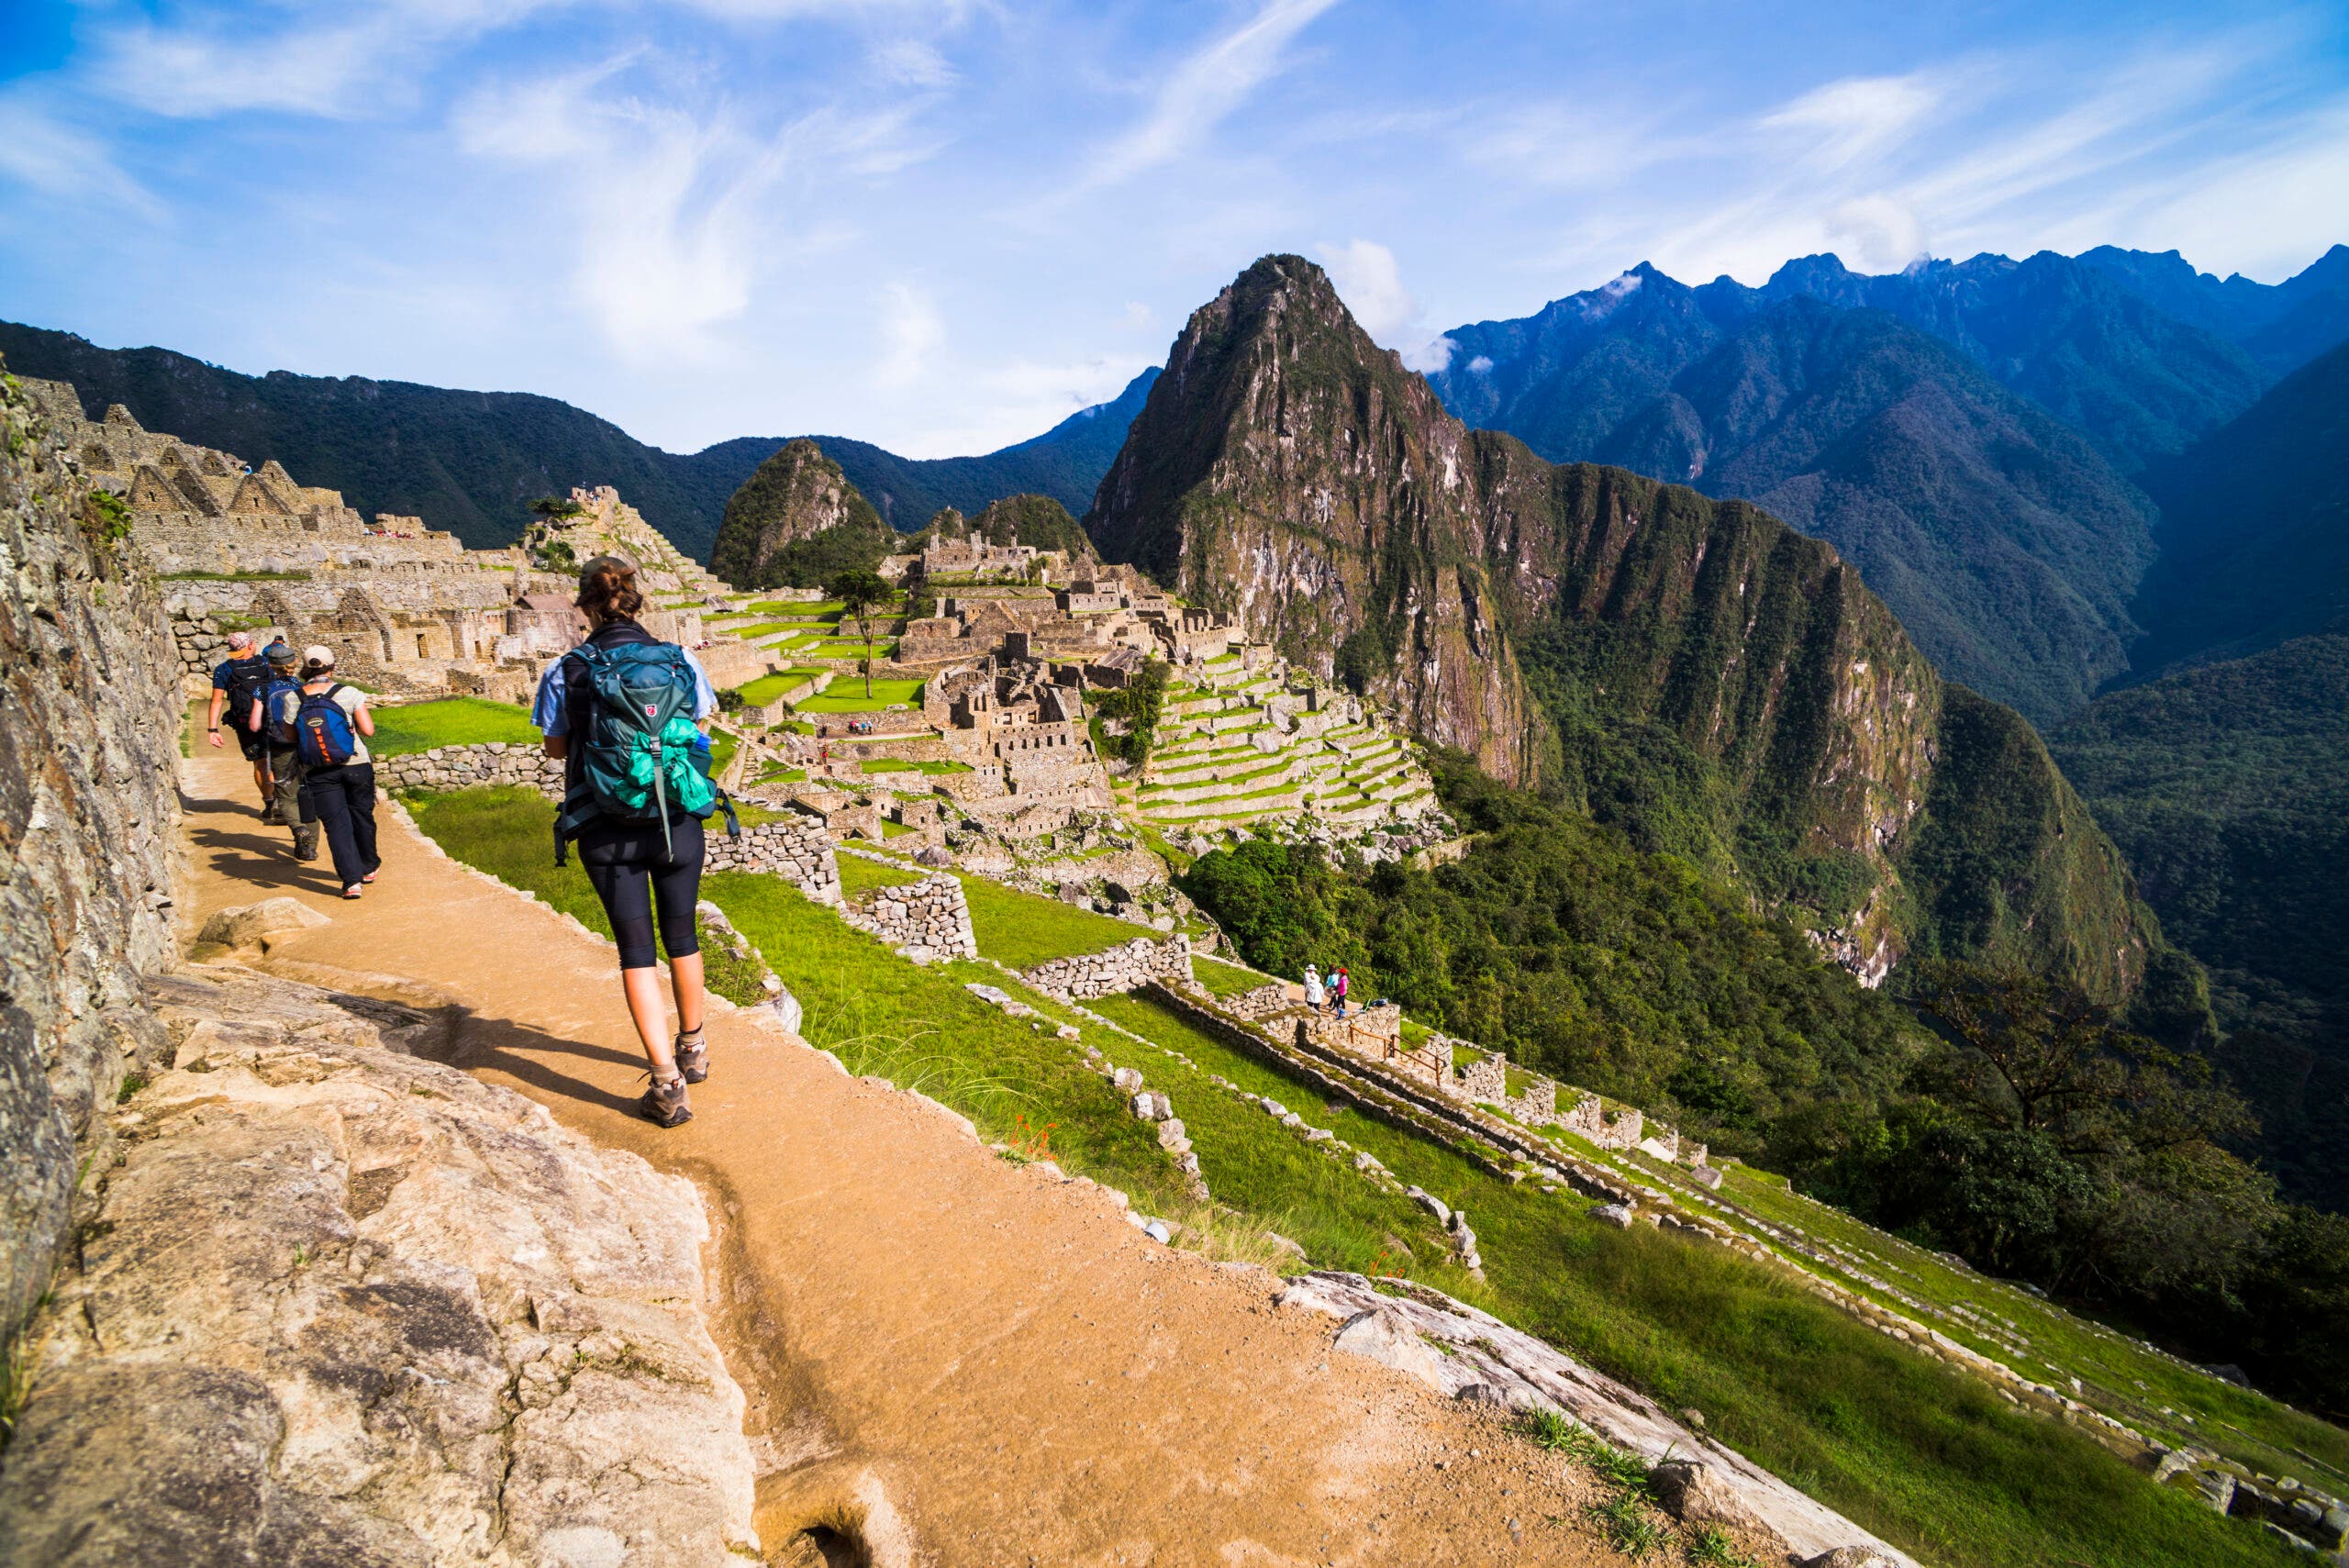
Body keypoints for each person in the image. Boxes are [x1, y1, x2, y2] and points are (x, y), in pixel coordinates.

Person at [535, 555, 725, 1129]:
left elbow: (557, 750)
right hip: (677, 820)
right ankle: (693, 1049)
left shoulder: (566, 670)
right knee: (683, 935)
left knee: (636, 951)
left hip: (605, 827)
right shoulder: (679, 659)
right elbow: (698, 724)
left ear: (586, 607)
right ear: (636, 599)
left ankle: (666, 1085)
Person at [290, 646, 381, 898]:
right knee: (362, 816)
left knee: (336, 826)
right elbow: (368, 730)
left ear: (306, 669)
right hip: (356, 765)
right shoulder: (349, 693)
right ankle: (368, 866)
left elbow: (289, 736)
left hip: (318, 769)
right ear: (332, 667)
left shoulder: (293, 697)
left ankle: (351, 882)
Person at [255, 641, 319, 862]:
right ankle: (310, 848)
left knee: (285, 793)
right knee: (309, 794)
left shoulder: (262, 689)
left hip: (280, 746)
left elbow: (254, 724)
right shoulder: (304, 687)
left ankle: (298, 828)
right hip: (306, 744)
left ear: (270, 665)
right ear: (294, 663)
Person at [206, 630, 278, 815]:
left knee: (259, 762)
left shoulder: (224, 669)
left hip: (244, 723)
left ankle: (269, 802)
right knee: (276, 759)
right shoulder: (265, 664)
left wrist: (213, 729)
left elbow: (216, 700)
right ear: (250, 645)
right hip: (271, 718)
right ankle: (280, 800)